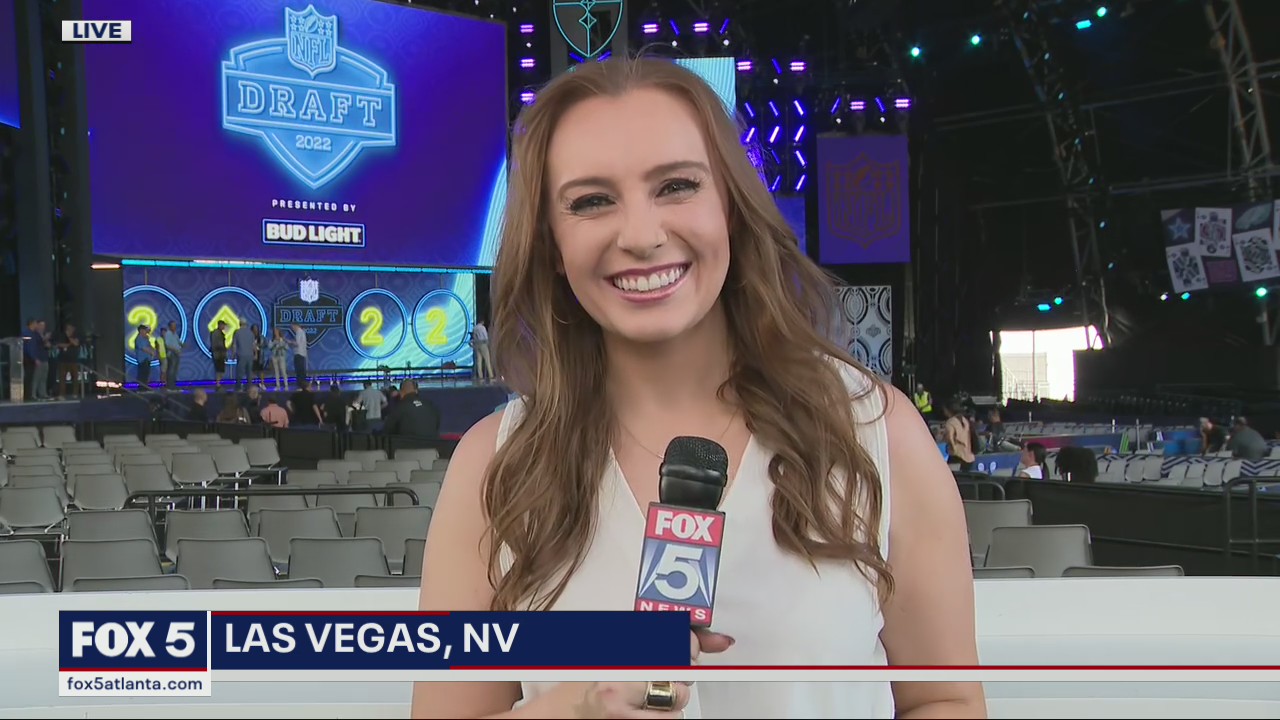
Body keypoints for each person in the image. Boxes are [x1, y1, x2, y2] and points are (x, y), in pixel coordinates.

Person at [411, 57, 982, 720]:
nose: (643, 236)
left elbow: (944, 699)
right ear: (550, 244)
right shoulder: (494, 466)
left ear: (731, 210)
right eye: (592, 201)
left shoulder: (875, 432)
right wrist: (580, 706)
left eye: (676, 186)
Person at [942, 400, 976, 473]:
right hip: (969, 456)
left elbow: (949, 438)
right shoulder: (964, 420)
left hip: (956, 457)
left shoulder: (950, 422)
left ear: (948, 410)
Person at [22, 318, 49, 401]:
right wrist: (35, 358)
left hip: (35, 358)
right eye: (37, 324)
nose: (37, 325)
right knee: (31, 377)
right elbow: (28, 347)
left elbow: (42, 344)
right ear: (32, 324)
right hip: (29, 358)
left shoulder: (33, 334)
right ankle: (30, 395)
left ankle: (36, 395)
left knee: (36, 377)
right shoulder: (26, 333)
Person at [232, 323, 256, 387]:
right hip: (250, 355)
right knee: (249, 373)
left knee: (240, 372)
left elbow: (234, 345)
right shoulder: (251, 333)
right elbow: (254, 345)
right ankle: (250, 387)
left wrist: (233, 355)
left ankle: (238, 387)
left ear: (240, 324)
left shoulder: (237, 332)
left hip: (241, 355)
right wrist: (255, 354)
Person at [134, 324, 156, 390]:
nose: (146, 331)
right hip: (142, 360)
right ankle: (142, 389)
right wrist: (152, 352)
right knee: (142, 375)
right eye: (144, 330)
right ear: (141, 331)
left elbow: (149, 346)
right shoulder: (139, 339)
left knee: (146, 374)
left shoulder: (145, 338)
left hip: (147, 359)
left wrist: (154, 351)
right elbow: (144, 348)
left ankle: (145, 387)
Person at [163, 321, 183, 390]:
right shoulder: (168, 334)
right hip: (172, 354)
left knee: (175, 370)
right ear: (170, 326)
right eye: (173, 326)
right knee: (171, 370)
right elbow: (167, 345)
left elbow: (178, 342)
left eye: (175, 325)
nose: (175, 327)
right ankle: (170, 386)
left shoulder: (175, 334)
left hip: (177, 354)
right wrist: (175, 350)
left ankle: (173, 385)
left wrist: (182, 345)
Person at [211, 320, 229, 388]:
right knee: (218, 369)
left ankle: (219, 382)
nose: (224, 326)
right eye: (223, 325)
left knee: (221, 369)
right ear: (220, 325)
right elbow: (215, 344)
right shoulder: (215, 333)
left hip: (221, 354)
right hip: (218, 354)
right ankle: (218, 383)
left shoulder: (221, 333)